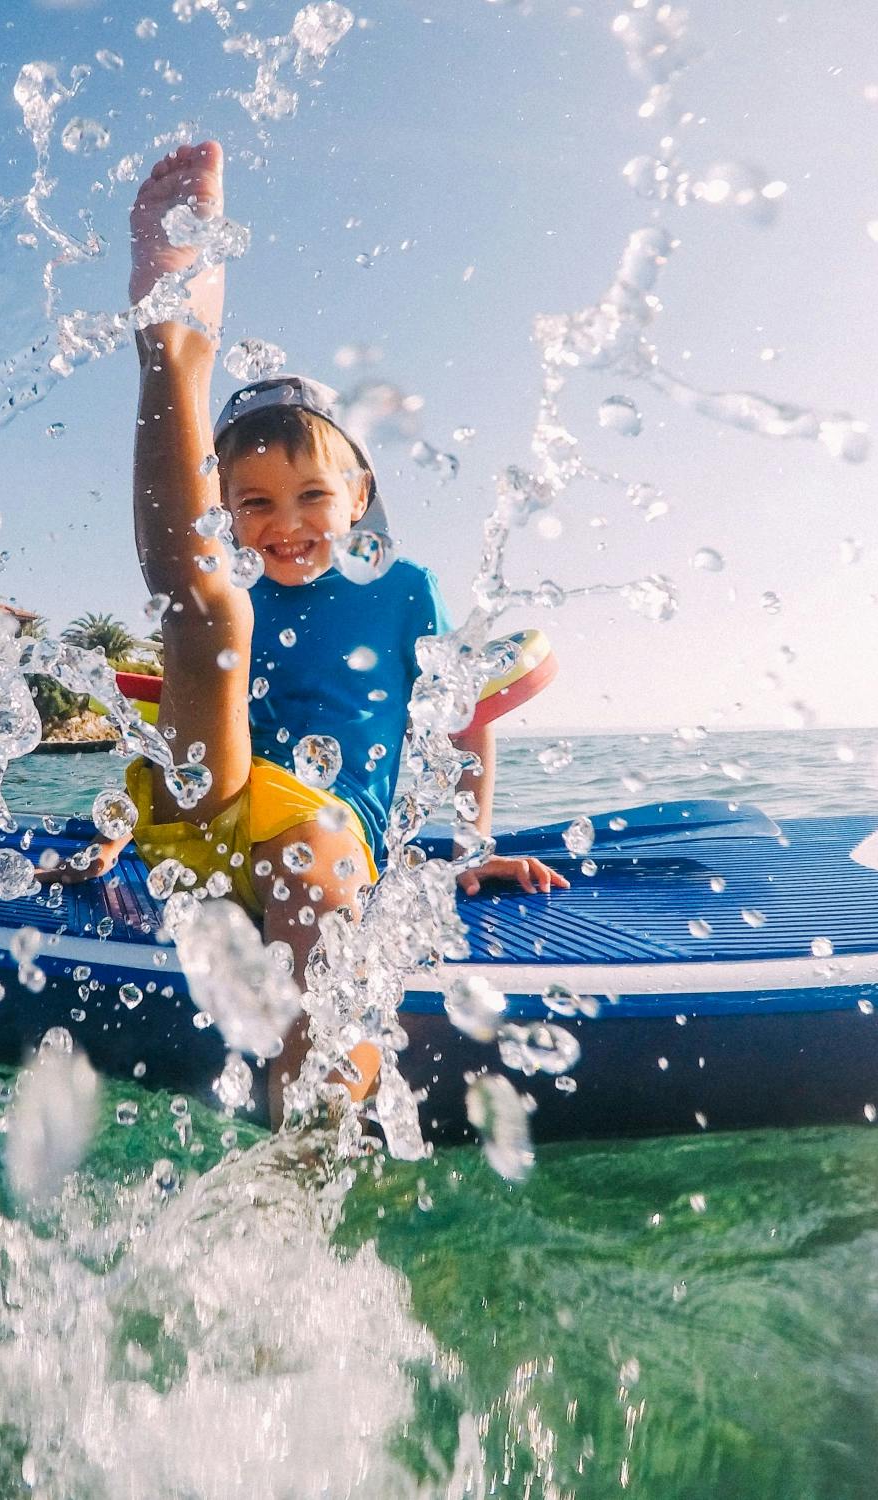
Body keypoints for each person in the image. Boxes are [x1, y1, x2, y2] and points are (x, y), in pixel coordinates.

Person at [42, 140, 566, 1119]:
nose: (284, 524)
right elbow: (178, 731)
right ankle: (172, 347)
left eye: (311, 495)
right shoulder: (243, 584)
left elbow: (461, 722)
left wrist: (468, 846)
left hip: (322, 844)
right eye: (250, 502)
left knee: (314, 844)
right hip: (210, 810)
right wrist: (106, 839)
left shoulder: (402, 588)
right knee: (205, 619)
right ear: (225, 507)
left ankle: (305, 1157)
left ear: (358, 493)